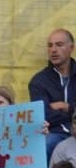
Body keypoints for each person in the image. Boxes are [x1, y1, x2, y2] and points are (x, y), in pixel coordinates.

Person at [32, 29, 76, 159]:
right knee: (43, 145)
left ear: (71, 48)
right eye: (50, 45)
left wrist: (67, 107)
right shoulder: (39, 81)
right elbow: (43, 115)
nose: (53, 50)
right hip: (55, 133)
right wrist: (73, 114)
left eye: (59, 44)